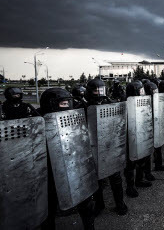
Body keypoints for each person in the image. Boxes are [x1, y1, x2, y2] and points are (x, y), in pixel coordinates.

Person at [39, 88, 96, 230]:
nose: (66, 106)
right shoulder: (39, 120)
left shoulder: (75, 116)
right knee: (48, 204)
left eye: (67, 103)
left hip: (75, 161)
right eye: (62, 103)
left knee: (85, 198)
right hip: (49, 169)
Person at [84, 78, 128, 216]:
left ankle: (120, 204)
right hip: (91, 147)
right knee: (97, 178)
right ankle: (100, 204)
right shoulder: (83, 106)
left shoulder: (109, 103)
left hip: (109, 145)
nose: (98, 93)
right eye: (95, 90)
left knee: (115, 176)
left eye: (100, 90)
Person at [123, 80, 153, 198]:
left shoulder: (143, 101)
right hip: (129, 136)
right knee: (130, 163)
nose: (142, 92)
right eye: (140, 90)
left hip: (140, 132)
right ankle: (130, 186)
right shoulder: (124, 102)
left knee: (142, 158)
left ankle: (139, 180)